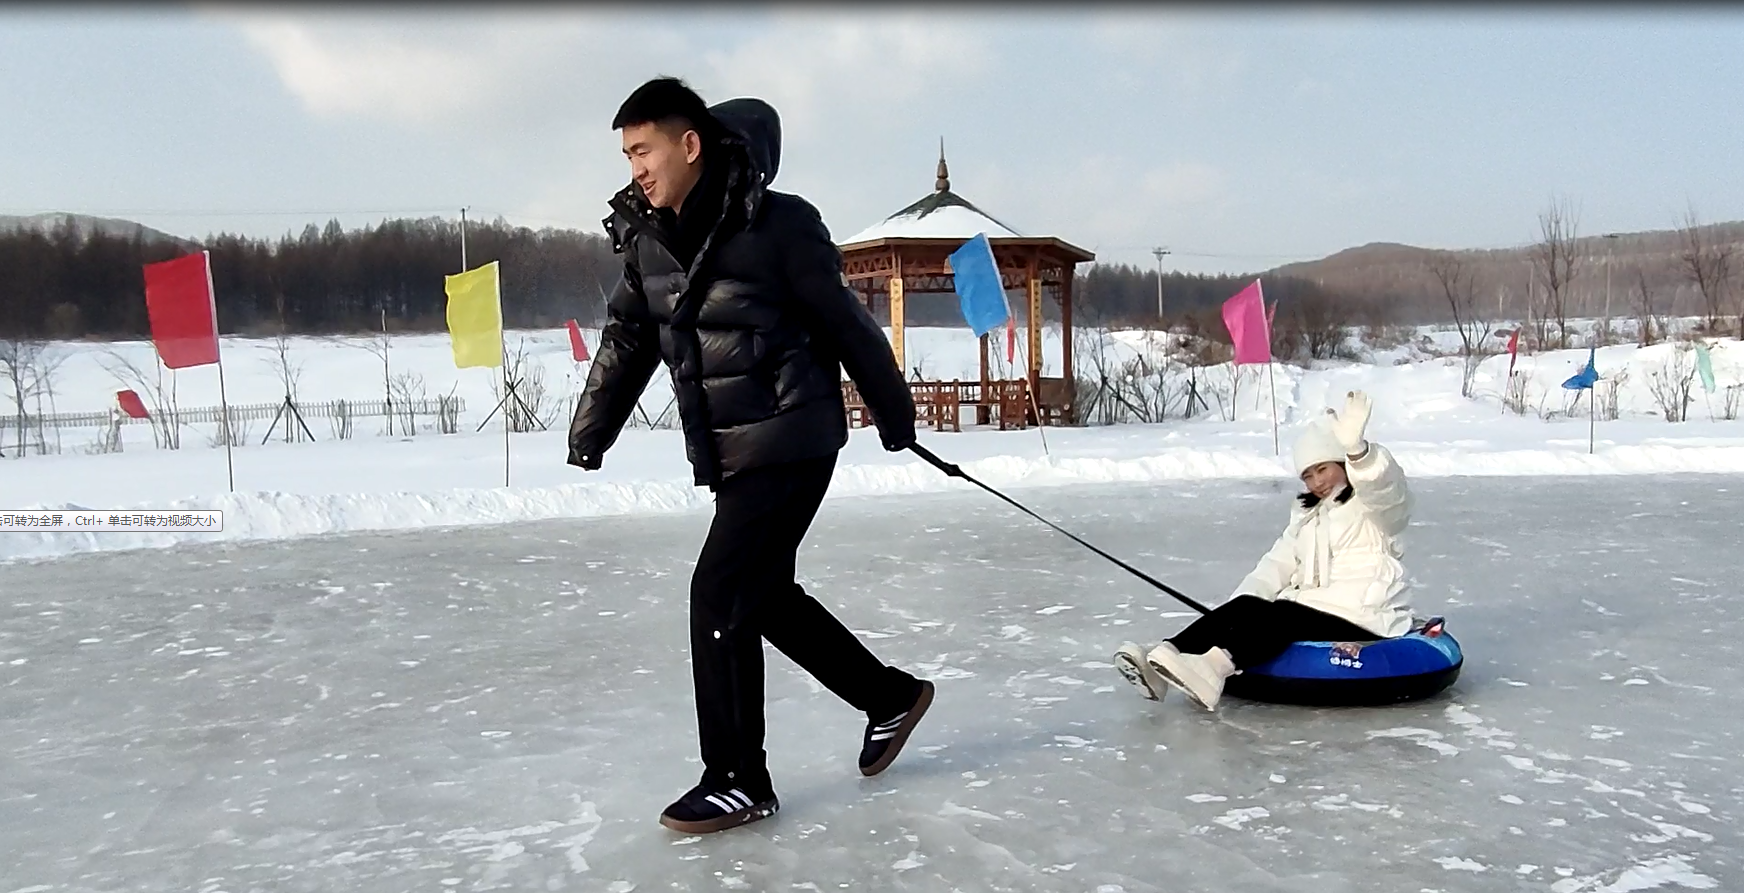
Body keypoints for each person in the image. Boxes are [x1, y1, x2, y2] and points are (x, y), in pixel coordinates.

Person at [567, 77, 935, 835]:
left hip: (793, 434)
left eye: (645, 148)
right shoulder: (647, 238)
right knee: (761, 596)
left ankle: (736, 774)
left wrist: (893, 410)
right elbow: (630, 338)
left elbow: (845, 324)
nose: (634, 166)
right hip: (730, 445)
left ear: (689, 144)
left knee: (719, 591)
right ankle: (888, 695)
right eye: (628, 152)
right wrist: (592, 427)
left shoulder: (779, 226)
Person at [1114, 390, 1414, 712]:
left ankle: (1214, 667)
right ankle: (1164, 658)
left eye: (1322, 469)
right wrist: (1235, 614)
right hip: (1313, 610)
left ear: (1341, 462)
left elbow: (1388, 491)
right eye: (1308, 475)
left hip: (1363, 613)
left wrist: (1360, 453)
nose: (1316, 482)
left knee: (1283, 613)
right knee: (1248, 605)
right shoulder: (1307, 516)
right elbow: (1275, 566)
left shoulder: (1371, 507)